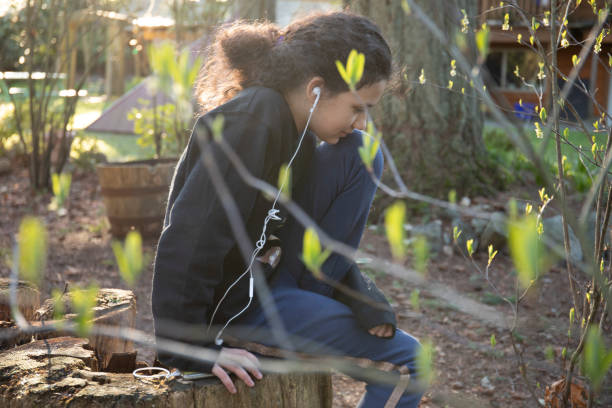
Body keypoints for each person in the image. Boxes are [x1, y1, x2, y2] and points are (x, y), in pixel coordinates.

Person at [152, 10, 424, 407]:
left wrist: (359, 297)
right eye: (356, 107)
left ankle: (310, 309)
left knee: (362, 153)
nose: (361, 121)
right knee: (408, 362)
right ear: (315, 89)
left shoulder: (297, 132)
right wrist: (190, 348)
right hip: (236, 309)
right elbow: (189, 237)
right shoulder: (252, 120)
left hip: (275, 282)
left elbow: (307, 231)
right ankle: (265, 335)